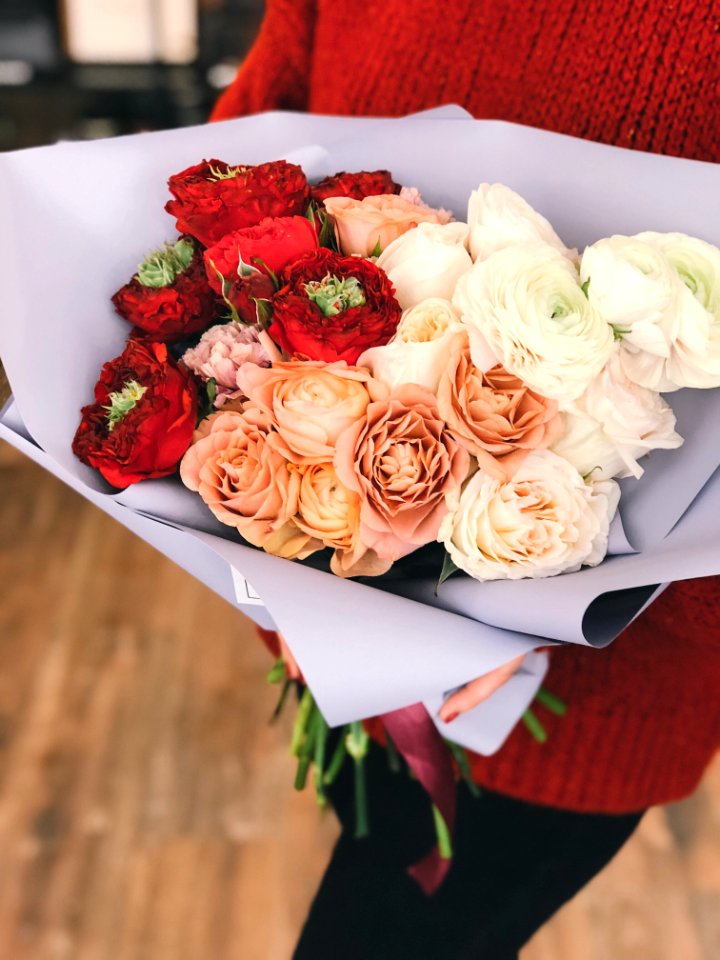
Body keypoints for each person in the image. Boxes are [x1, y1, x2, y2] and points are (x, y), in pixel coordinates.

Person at [212, 3, 720, 956]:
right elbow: (236, 169)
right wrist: (295, 561)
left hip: (588, 708)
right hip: (337, 632)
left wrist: (532, 596)